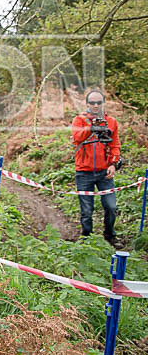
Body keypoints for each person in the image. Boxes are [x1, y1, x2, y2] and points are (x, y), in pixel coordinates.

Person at [71, 89, 122, 248]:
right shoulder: (80, 120)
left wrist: (113, 164)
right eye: (92, 102)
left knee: (111, 206)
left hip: (104, 172)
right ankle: (87, 238)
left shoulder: (111, 121)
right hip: (83, 171)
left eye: (98, 102)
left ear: (103, 103)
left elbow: (115, 145)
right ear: (87, 104)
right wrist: (91, 128)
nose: (95, 105)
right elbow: (76, 137)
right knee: (87, 210)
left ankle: (109, 235)